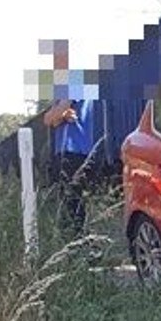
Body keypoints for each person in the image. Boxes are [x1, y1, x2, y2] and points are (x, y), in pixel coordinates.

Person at [41, 93, 96, 233]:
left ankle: (76, 238)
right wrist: (60, 115)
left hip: (73, 150)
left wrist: (59, 115)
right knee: (71, 201)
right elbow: (50, 119)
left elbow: (51, 118)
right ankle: (76, 237)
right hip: (77, 150)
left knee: (72, 202)